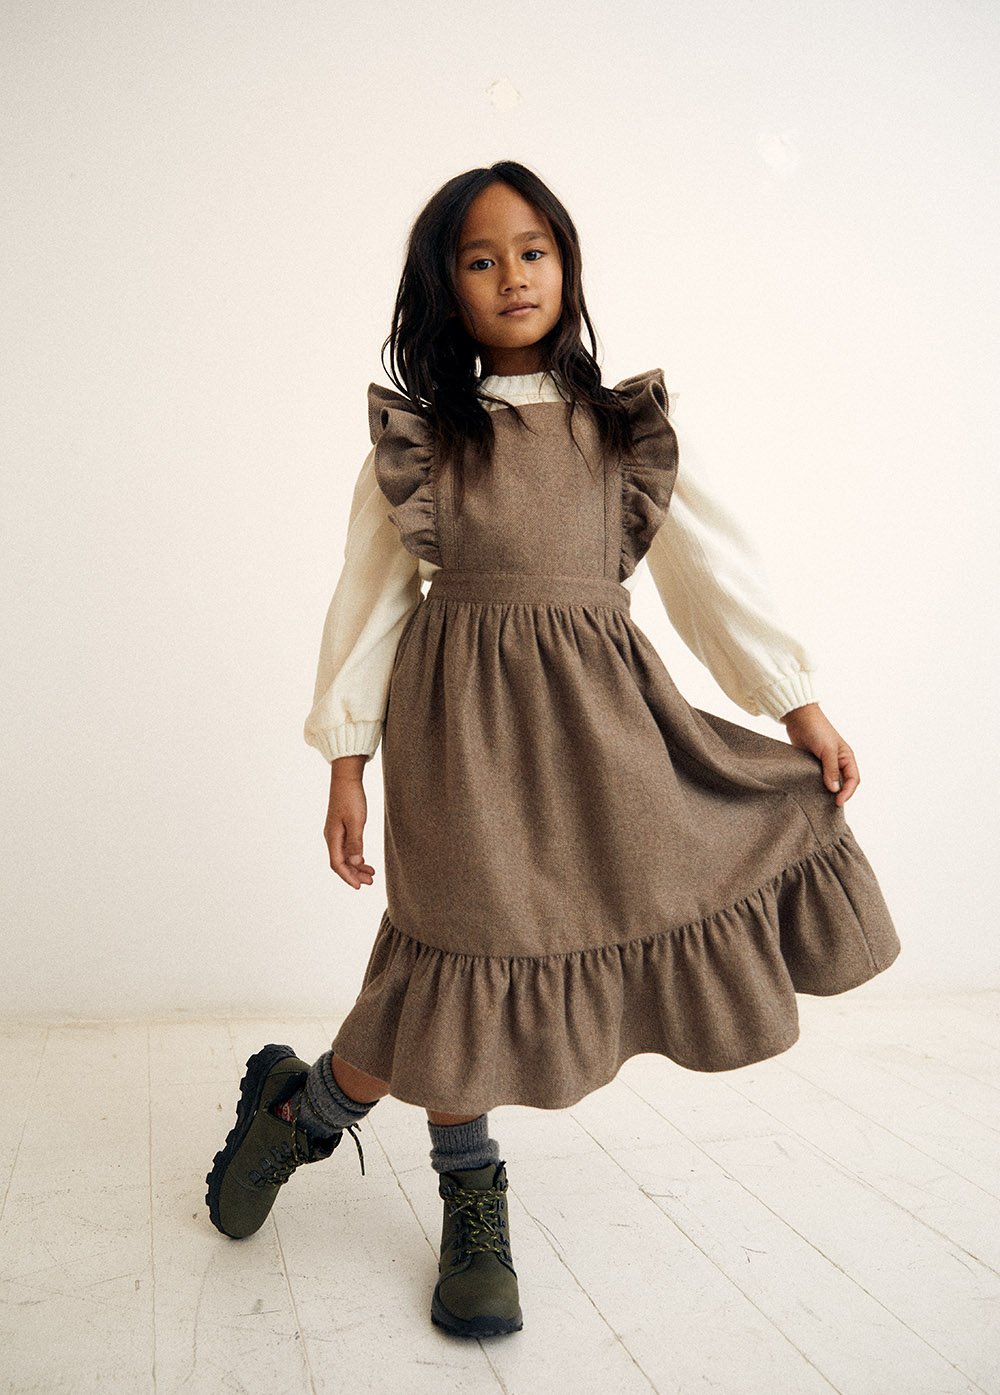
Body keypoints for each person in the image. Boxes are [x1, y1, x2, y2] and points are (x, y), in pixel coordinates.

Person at [206, 160, 900, 1339]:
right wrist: (346, 766)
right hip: (457, 735)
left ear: (567, 266)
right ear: (446, 288)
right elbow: (365, 611)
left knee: (600, 903)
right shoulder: (421, 445)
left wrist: (798, 710)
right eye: (480, 259)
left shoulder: (623, 432)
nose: (512, 275)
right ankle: (470, 1193)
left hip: (603, 729)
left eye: (532, 251)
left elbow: (713, 581)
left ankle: (301, 1111)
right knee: (456, 956)